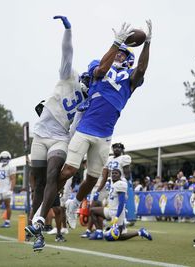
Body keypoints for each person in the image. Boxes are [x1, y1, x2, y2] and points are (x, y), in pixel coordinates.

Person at [28, 20, 152, 251]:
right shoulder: (100, 68)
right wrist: (116, 43)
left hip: (106, 134)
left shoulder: (130, 80)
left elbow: (142, 70)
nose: (120, 56)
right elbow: (101, 69)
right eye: (118, 53)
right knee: (68, 171)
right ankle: (40, 215)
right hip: (85, 128)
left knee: (93, 178)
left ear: (129, 59)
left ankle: (74, 203)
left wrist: (148, 44)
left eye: (124, 54)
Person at [26, 16, 89, 233]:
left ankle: (41, 220)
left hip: (60, 137)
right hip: (41, 135)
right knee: (39, 183)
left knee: (53, 175)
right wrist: (68, 30)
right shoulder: (69, 76)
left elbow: (78, 123)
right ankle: (32, 222)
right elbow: (67, 52)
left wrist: (71, 145)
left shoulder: (87, 100)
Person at [81, 142, 132, 237]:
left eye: (119, 147)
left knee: (119, 205)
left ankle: (122, 226)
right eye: (115, 147)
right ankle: (98, 230)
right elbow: (104, 177)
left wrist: (125, 183)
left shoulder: (124, 158)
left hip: (120, 185)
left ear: (122, 149)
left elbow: (127, 174)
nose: (116, 149)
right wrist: (98, 190)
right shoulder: (109, 159)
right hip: (110, 186)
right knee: (106, 206)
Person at [88, 169, 152, 241]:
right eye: (113, 173)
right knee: (92, 211)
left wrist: (117, 217)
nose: (114, 174)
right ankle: (99, 232)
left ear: (120, 176)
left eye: (116, 173)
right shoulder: (113, 184)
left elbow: (122, 203)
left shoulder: (121, 184)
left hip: (117, 213)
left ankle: (140, 232)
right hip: (110, 210)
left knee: (117, 237)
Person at [0, 151, 16, 228]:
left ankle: (7, 222)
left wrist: (11, 189)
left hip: (7, 189)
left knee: (7, 206)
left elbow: (13, 179)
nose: (4, 160)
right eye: (3, 158)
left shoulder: (11, 166)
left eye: (6, 158)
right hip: (0, 189)